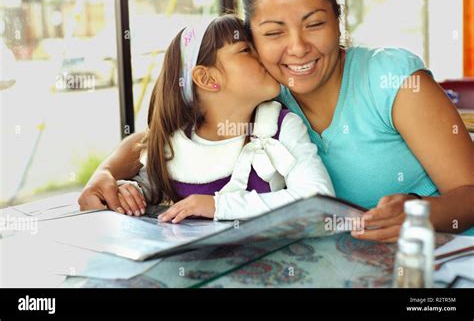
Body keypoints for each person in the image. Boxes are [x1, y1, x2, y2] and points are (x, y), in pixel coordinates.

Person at [80, 0, 473, 240]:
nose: (298, 47)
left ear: (339, 19)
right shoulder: (269, 92)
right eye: (273, 33)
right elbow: (165, 134)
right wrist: (104, 173)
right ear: (253, 39)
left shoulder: (392, 79)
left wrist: (419, 214)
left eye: (314, 24)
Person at [108, 14, 334, 223]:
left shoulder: (280, 126)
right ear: (206, 78)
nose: (266, 56)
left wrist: (219, 206)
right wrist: (129, 191)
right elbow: (144, 186)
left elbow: (320, 200)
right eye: (246, 50)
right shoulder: (174, 145)